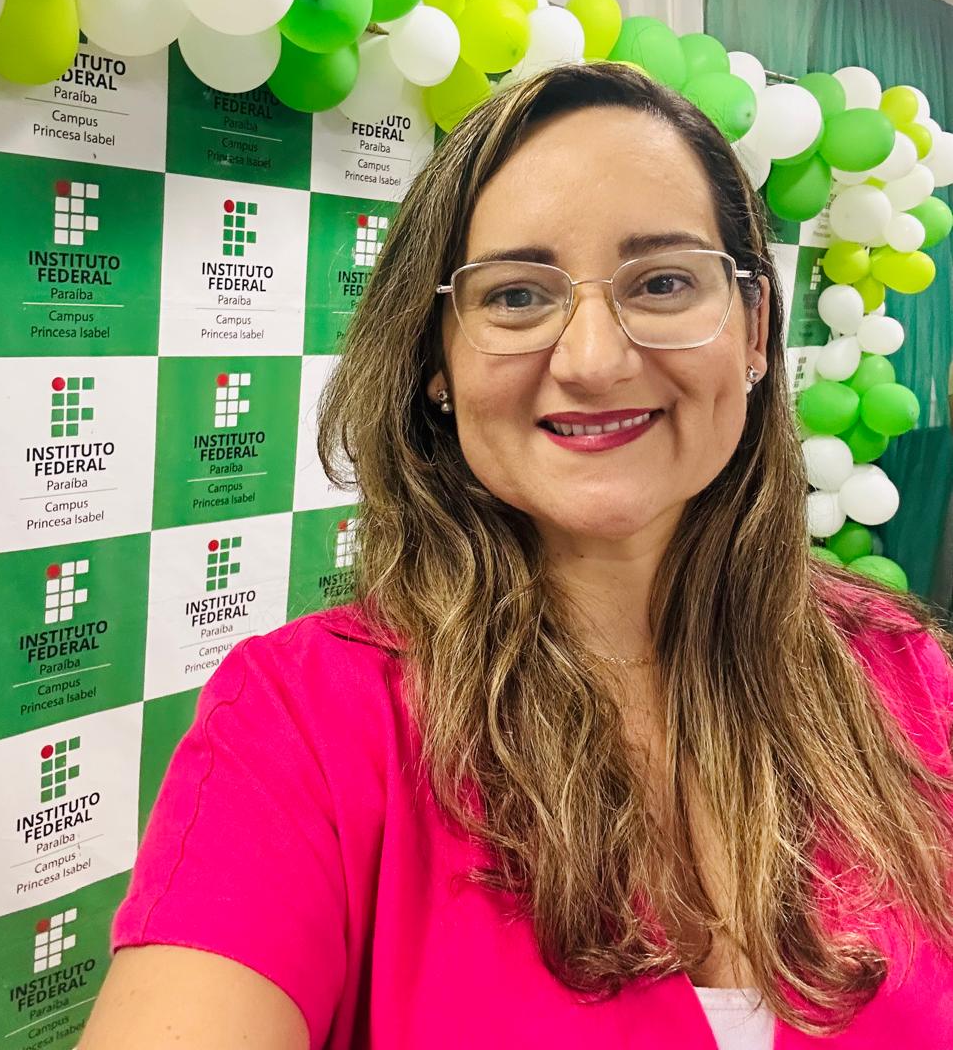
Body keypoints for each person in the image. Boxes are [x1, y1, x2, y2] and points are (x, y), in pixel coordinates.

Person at [81, 63, 953, 1050]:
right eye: (515, 295)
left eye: (663, 282)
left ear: (752, 328)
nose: (593, 360)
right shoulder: (302, 724)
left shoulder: (902, 673)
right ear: (436, 360)